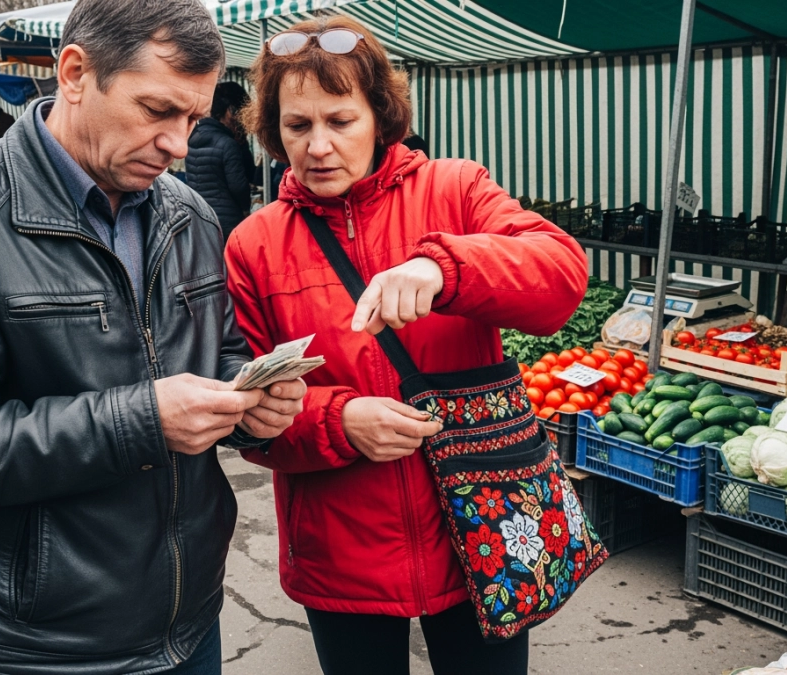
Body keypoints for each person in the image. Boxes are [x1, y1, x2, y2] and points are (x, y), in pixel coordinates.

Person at [0, 1, 305, 673]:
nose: (180, 145)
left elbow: (217, 355)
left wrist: (253, 408)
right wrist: (144, 420)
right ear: (74, 72)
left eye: (192, 117)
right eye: (158, 110)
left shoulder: (187, 214)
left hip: (192, 618)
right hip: (49, 644)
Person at [225, 16, 588, 675]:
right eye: (297, 125)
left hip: (480, 527)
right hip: (340, 547)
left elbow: (561, 276)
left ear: (380, 114)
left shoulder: (455, 189)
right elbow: (248, 413)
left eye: (341, 120)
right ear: (273, 131)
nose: (318, 146)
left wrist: (446, 268)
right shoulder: (254, 244)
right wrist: (337, 420)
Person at [185, 81, 256, 243]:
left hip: (199, 217)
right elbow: (238, 186)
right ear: (229, 111)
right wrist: (245, 208)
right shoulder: (227, 144)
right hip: (227, 221)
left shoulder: (192, 139)